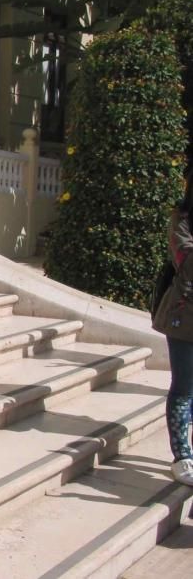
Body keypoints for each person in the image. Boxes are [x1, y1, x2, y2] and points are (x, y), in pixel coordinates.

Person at [151, 173, 193, 486]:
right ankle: (182, 456)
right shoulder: (182, 221)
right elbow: (187, 263)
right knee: (184, 387)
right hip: (183, 318)